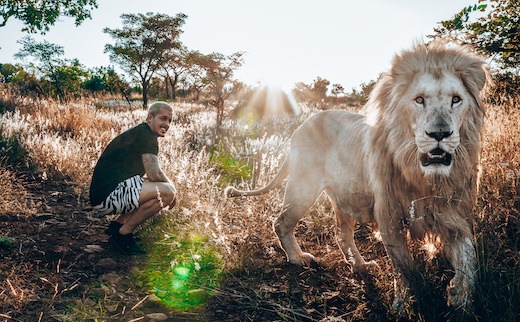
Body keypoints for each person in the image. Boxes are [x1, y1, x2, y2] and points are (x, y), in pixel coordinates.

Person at [89, 102, 177, 255]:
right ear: (150, 117)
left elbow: (149, 178)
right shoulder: (146, 135)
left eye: (170, 120)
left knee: (157, 189)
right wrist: (173, 191)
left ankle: (117, 227)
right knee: (167, 192)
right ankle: (124, 234)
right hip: (107, 197)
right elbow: (154, 173)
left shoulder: (142, 132)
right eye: (163, 118)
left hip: (104, 195)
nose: (167, 124)